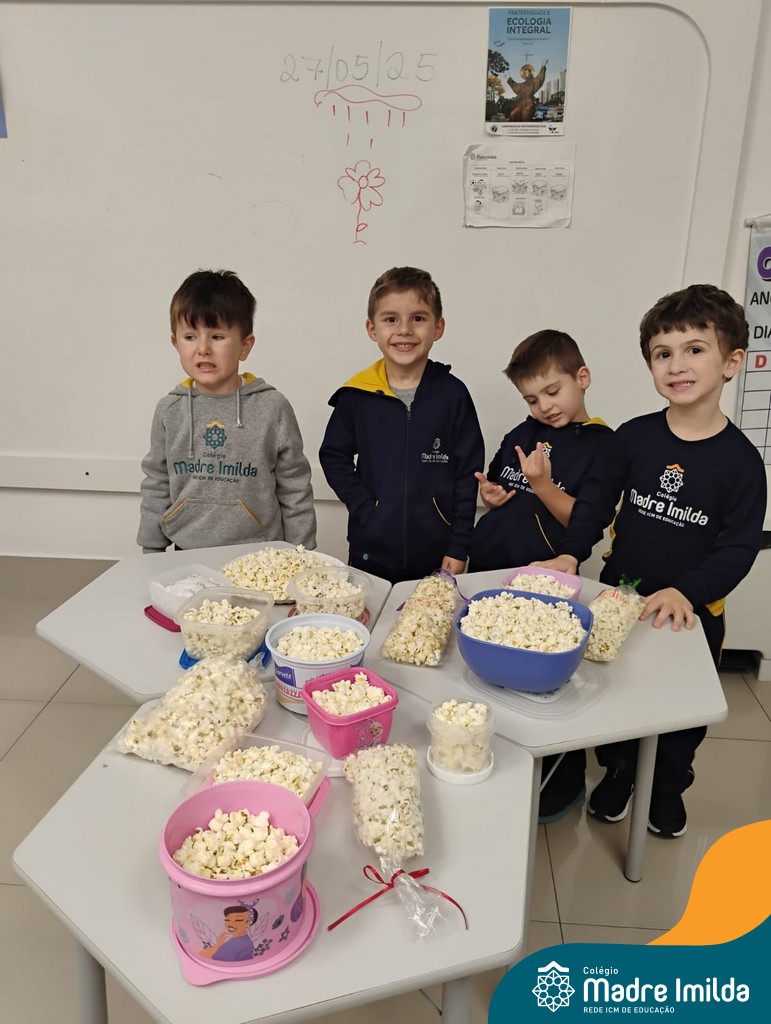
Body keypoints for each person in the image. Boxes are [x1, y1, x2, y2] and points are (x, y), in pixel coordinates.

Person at [536, 284, 767, 838]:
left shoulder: (742, 463)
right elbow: (595, 504)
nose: (676, 365)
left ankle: (667, 787)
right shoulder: (633, 438)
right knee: (615, 698)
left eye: (694, 349)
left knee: (681, 719)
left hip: (692, 614)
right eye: (663, 353)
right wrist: (570, 552)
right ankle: (619, 773)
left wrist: (688, 591)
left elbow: (737, 548)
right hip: (620, 599)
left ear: (731, 362)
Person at [468, 329, 613, 824]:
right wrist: (492, 495)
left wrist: (543, 485)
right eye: (532, 398)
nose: (544, 406)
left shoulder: (603, 446)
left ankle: (561, 779)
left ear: (582, 377)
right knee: (492, 683)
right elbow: (499, 485)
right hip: (491, 575)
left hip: (546, 589)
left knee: (545, 689)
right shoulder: (522, 433)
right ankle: (498, 762)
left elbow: (585, 521)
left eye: (553, 391)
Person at [319, 266, 484, 584]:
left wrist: (460, 545)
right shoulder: (356, 395)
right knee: (369, 614)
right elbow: (333, 456)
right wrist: (365, 507)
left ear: (438, 327)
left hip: (438, 553)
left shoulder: (453, 395)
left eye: (418, 318)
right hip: (370, 549)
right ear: (372, 328)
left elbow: (468, 474)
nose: (404, 330)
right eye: (391, 319)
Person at [138, 269, 316, 553]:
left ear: (245, 346)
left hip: (261, 556)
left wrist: (301, 554)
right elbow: (157, 484)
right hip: (186, 554)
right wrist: (151, 551)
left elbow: (295, 486)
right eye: (190, 336)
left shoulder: (273, 408)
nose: (203, 348)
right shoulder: (169, 410)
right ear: (175, 343)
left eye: (217, 336)